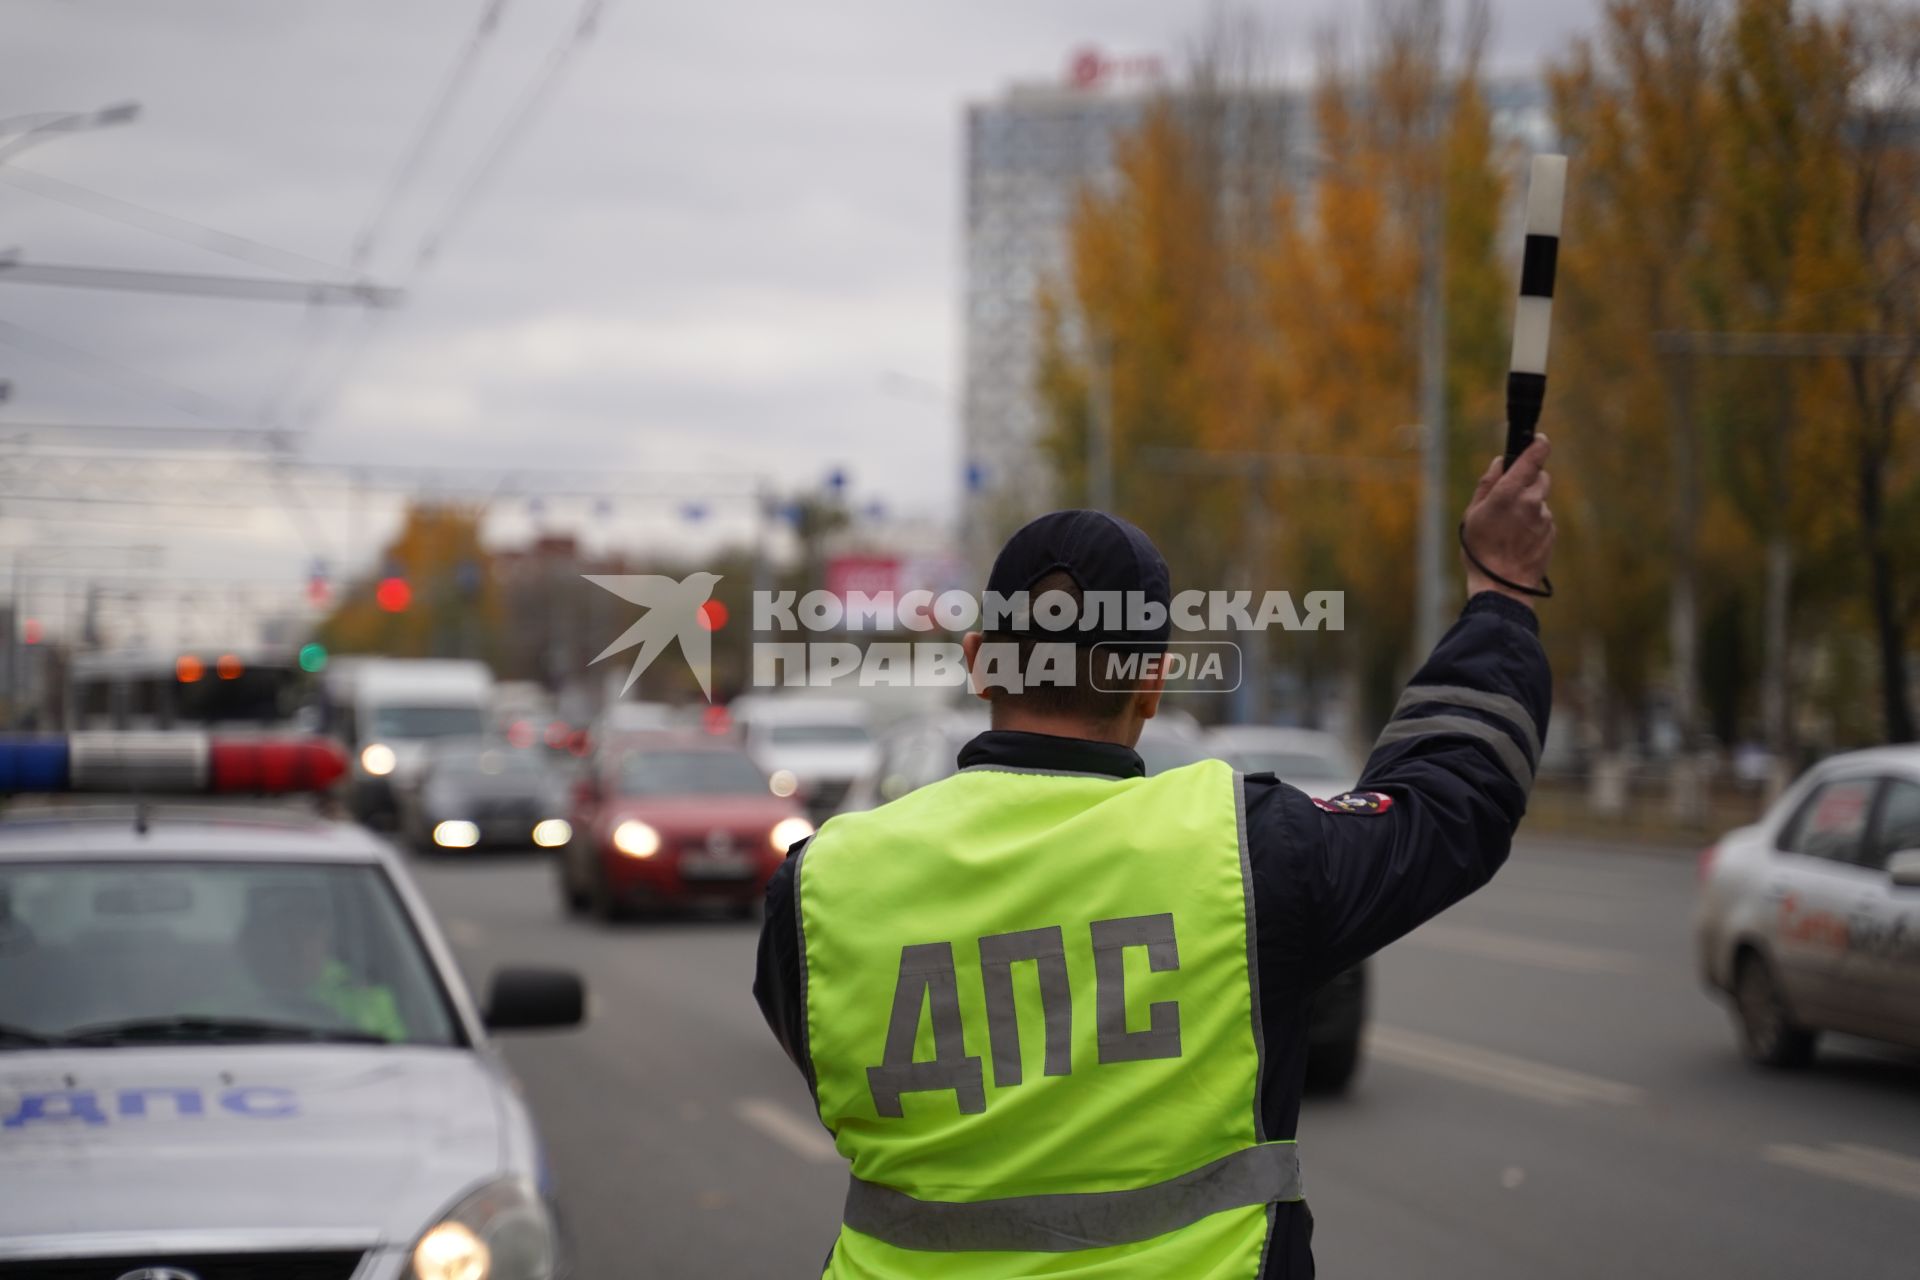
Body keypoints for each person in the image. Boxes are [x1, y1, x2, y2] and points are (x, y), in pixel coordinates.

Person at [754, 437, 1556, 1278]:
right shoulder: (1246, 854)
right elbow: (1451, 800)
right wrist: (1499, 593)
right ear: (1153, 681)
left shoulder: (816, 889)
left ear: (980, 661)